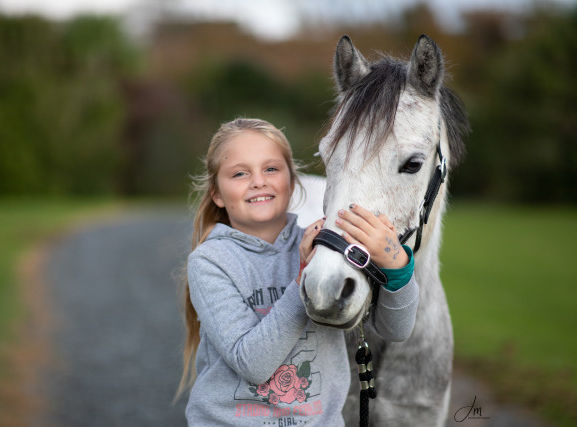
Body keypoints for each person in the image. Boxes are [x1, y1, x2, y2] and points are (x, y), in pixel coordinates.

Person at [178, 118, 419, 426]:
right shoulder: (210, 261)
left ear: (292, 183)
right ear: (217, 194)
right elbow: (252, 365)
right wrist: (302, 277)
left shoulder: (328, 251)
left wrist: (395, 263)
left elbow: (396, 330)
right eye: (239, 173)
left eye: (271, 169)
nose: (258, 181)